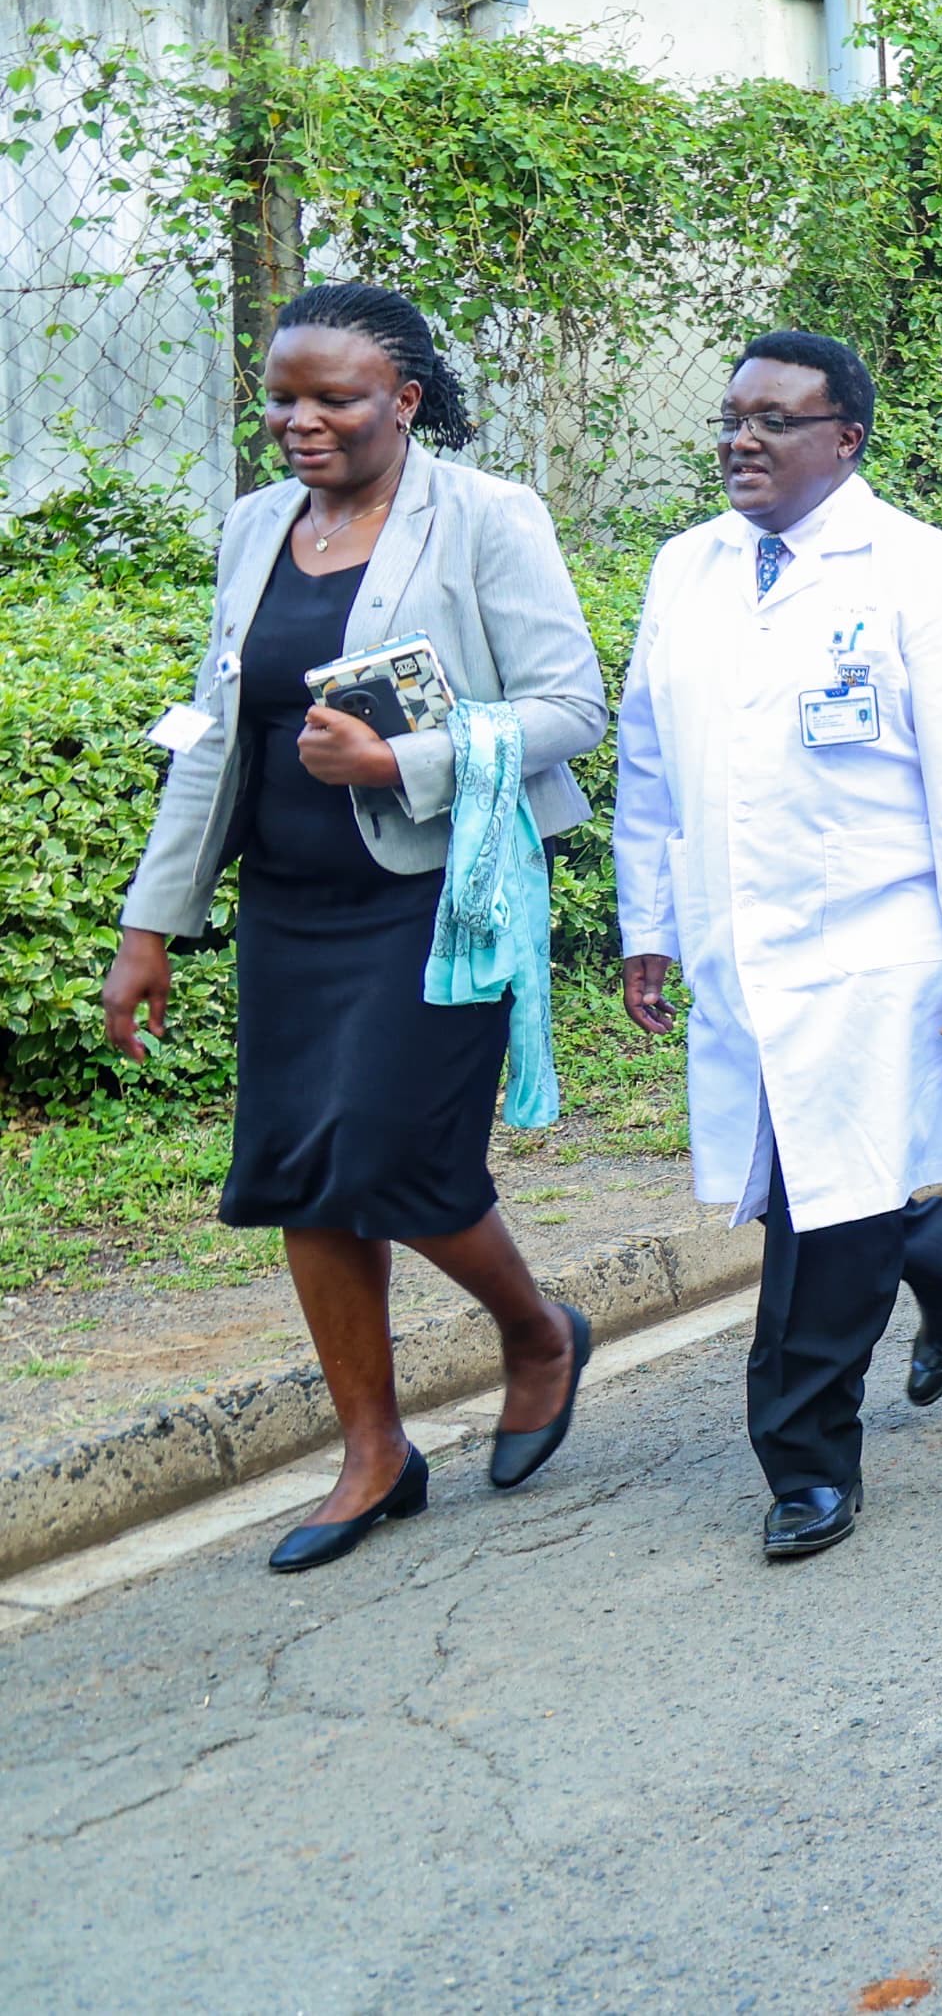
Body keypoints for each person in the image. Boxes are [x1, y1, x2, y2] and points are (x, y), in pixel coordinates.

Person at [102, 283, 598, 1573]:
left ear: (405, 401)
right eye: (282, 398)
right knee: (297, 1178)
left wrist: (401, 762)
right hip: (291, 902)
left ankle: (537, 1329)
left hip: (439, 895)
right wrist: (150, 924)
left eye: (333, 398)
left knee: (393, 1158)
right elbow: (218, 735)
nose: (300, 423)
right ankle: (373, 1449)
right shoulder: (257, 526)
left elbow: (568, 707)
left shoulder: (488, 516)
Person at [612, 332, 942, 1561]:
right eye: (733, 416)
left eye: (777, 420)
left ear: (845, 438)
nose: (744, 438)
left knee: (824, 1211)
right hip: (738, 936)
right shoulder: (685, 567)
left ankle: (804, 1459)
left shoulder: (924, 574)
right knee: (818, 1182)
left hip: (877, 942)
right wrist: (648, 925)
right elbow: (648, 764)